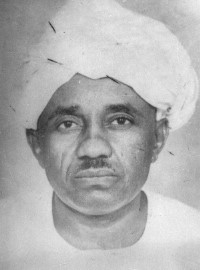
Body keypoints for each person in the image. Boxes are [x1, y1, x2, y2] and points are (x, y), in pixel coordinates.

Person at [7, 0, 200, 269]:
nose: (93, 148)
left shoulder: (194, 239)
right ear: (36, 145)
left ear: (157, 138)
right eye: (67, 124)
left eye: (120, 121)